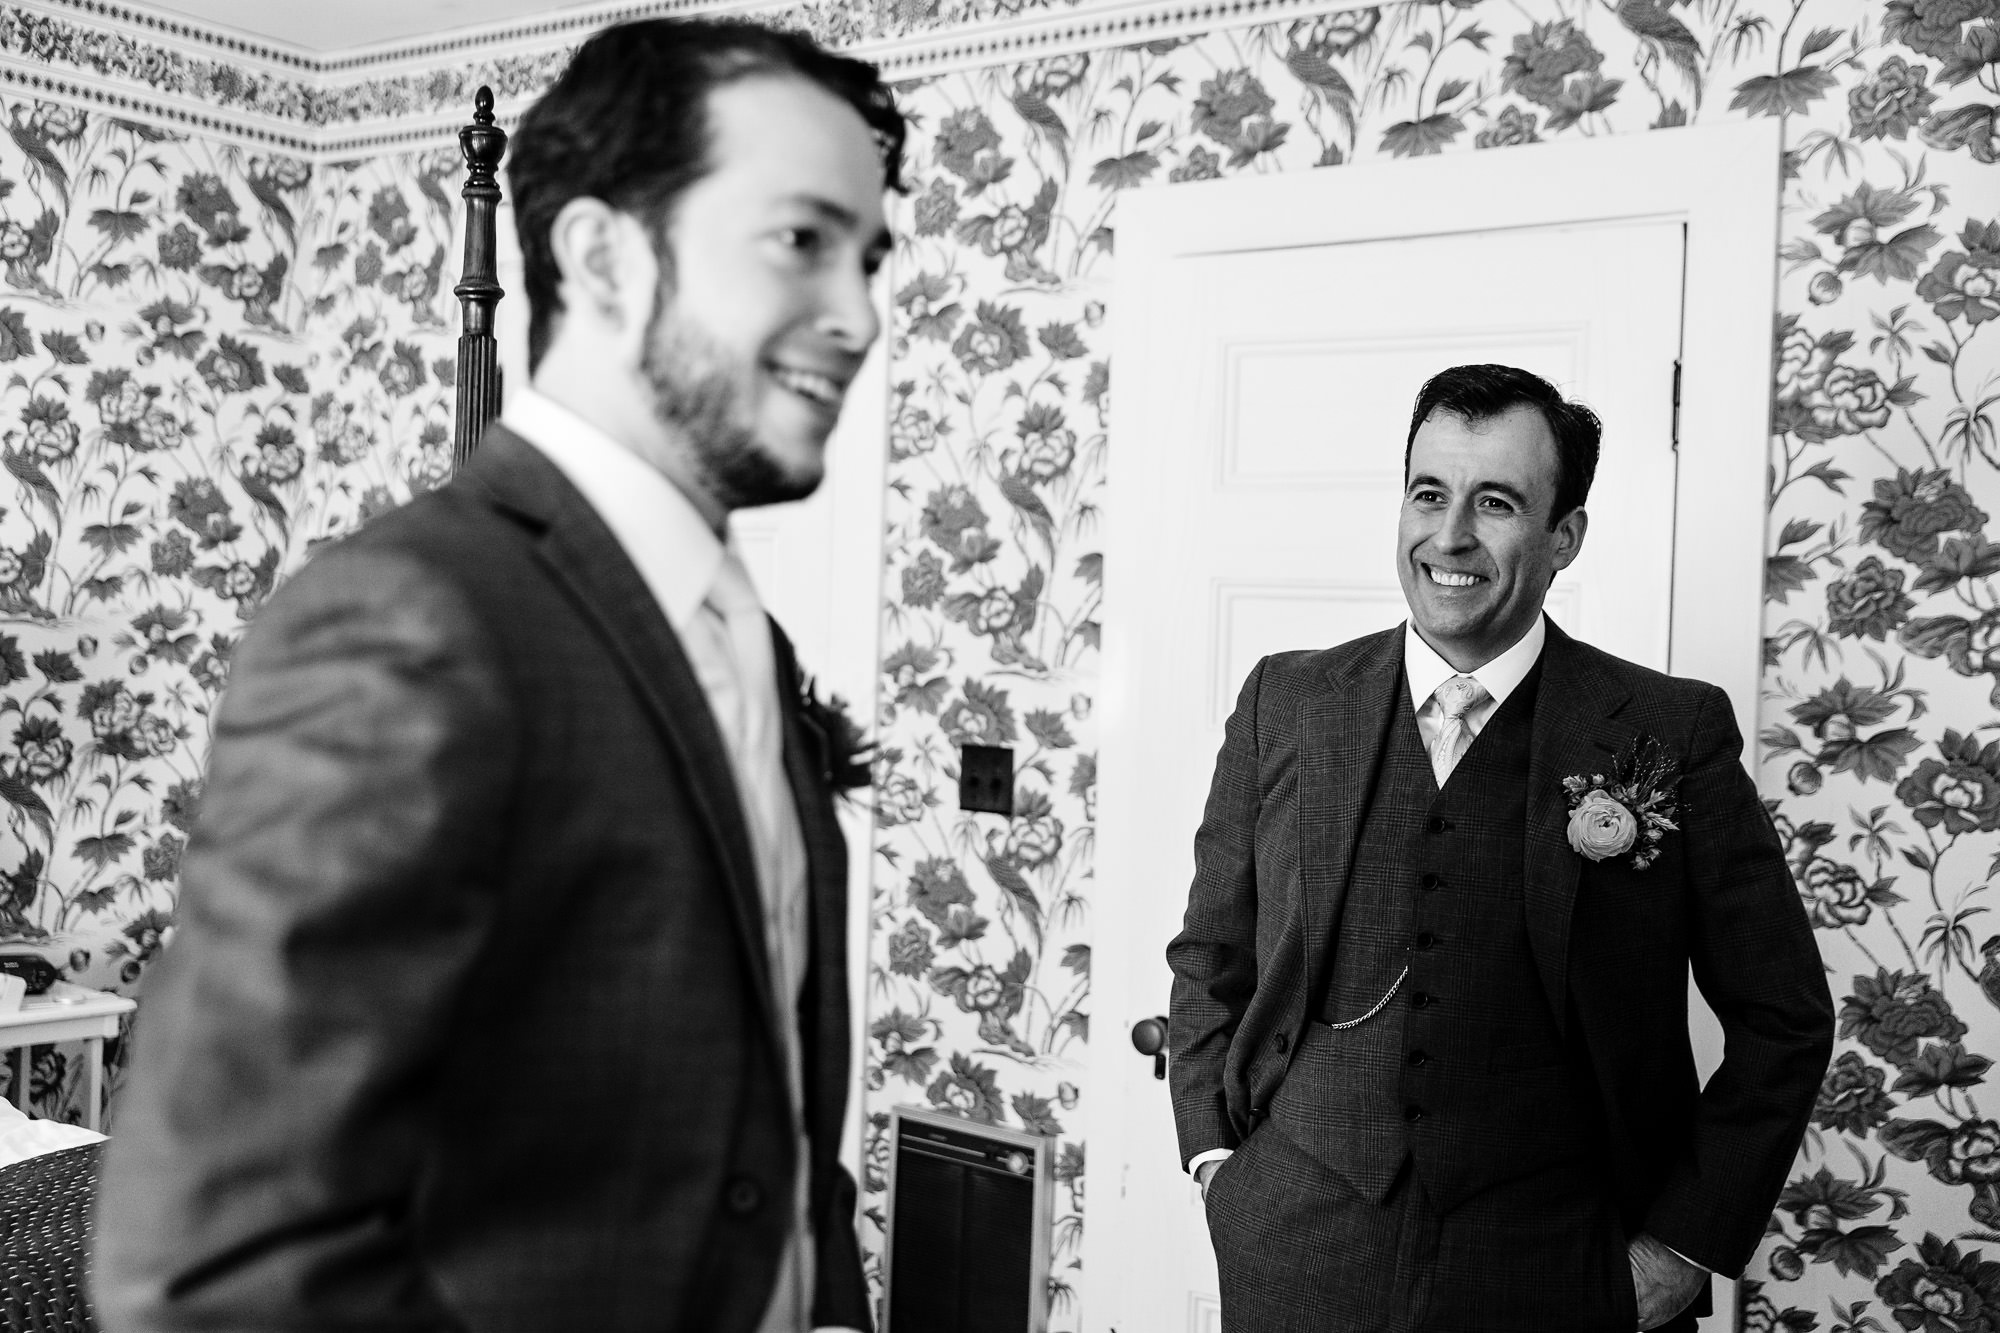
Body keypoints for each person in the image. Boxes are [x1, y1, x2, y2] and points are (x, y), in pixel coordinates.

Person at [93, 18, 902, 1333]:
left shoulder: (732, 630)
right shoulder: (414, 618)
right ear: (601, 256)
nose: (860, 315)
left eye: (869, 258)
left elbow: (764, 1144)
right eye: (801, 241)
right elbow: (213, 1275)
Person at [1165, 364, 1833, 1332]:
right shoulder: (1286, 701)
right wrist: (1214, 1164)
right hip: (1294, 1252)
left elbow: (1784, 1017)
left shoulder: (1664, 730)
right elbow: (1208, 954)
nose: (1449, 536)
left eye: (1495, 503)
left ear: (1562, 535)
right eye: (1427, 494)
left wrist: (1683, 1249)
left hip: (1563, 1267)